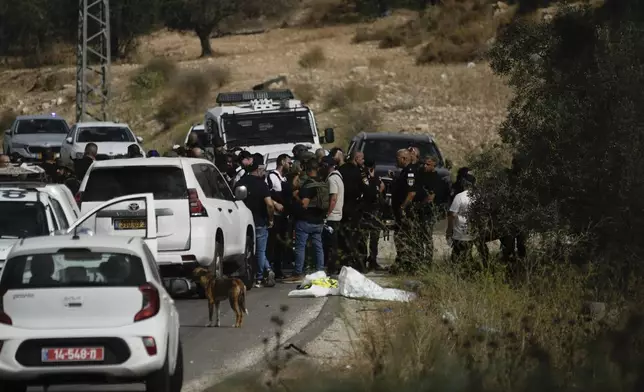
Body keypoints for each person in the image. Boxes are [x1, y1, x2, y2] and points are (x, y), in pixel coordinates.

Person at [235, 155, 277, 288]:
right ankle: (261, 275)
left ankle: (262, 273)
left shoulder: (241, 182)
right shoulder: (262, 184)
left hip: (243, 222)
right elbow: (270, 204)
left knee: (248, 250)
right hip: (260, 221)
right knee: (260, 251)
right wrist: (271, 219)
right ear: (258, 170)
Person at [284, 160, 326, 282]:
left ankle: (298, 272)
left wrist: (296, 196)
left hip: (306, 221)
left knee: (300, 247)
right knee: (318, 247)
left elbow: (304, 204)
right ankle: (320, 270)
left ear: (307, 170)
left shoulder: (309, 185)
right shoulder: (322, 183)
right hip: (319, 220)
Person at [414, 155, 446, 263]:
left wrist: (420, 205)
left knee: (427, 236)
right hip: (418, 211)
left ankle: (428, 260)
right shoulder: (420, 174)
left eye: (428, 164)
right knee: (418, 236)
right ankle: (418, 258)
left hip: (428, 211)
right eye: (424, 163)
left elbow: (431, 197)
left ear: (434, 165)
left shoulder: (436, 178)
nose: (425, 166)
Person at [390, 149, 417, 273]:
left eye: (397, 159)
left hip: (405, 211)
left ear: (403, 159)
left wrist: (402, 207)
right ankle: (402, 262)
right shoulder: (404, 172)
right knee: (400, 237)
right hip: (399, 211)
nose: (396, 161)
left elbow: (411, 193)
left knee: (404, 237)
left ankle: (407, 264)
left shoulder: (410, 172)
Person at [338, 150, 366, 270]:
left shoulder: (341, 170)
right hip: (354, 208)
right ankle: (358, 263)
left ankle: (344, 261)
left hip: (342, 207)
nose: (363, 161)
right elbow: (362, 189)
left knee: (343, 236)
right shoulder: (357, 172)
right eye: (362, 159)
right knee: (355, 237)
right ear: (356, 158)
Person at [266, 154, 292, 279]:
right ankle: (269, 268)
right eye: (289, 162)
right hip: (276, 215)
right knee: (273, 243)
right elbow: (267, 193)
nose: (290, 165)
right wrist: (275, 204)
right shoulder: (272, 176)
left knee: (281, 243)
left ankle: (278, 268)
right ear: (282, 162)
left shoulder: (285, 179)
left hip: (284, 216)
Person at [361, 160, 386, 271]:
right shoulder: (365, 177)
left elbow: (382, 187)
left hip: (373, 211)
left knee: (372, 238)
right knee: (365, 238)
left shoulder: (375, 177)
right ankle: (364, 261)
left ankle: (372, 261)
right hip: (367, 211)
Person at [446, 172, 476, 263]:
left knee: (456, 256)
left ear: (463, 183)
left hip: (459, 232)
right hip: (472, 231)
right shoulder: (477, 196)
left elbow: (452, 215)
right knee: (468, 253)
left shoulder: (459, 197)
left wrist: (449, 230)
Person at [321, 155, 344, 275]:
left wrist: (326, 214)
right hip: (337, 215)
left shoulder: (332, 179)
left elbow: (333, 198)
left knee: (331, 244)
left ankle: (331, 267)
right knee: (334, 243)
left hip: (332, 216)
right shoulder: (338, 176)